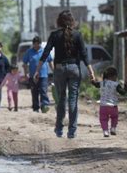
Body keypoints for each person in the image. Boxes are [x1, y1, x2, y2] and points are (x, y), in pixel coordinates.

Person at [34, 10, 96, 138]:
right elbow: (84, 55)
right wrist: (91, 72)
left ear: (59, 22)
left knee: (61, 99)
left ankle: (59, 129)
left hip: (59, 69)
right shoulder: (78, 35)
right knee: (73, 100)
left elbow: (45, 53)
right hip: (74, 69)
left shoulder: (54, 35)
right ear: (72, 21)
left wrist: (37, 70)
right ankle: (72, 131)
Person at [91, 67, 127, 137]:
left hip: (103, 106)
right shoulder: (116, 84)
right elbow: (122, 92)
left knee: (103, 119)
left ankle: (105, 131)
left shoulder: (102, 83)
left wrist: (93, 81)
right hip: (113, 106)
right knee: (114, 117)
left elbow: (96, 84)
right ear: (114, 76)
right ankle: (113, 128)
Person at [23, 36, 54, 113]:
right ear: (33, 44)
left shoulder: (45, 51)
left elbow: (50, 61)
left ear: (40, 44)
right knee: (34, 91)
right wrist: (26, 73)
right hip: (33, 76)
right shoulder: (29, 52)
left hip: (43, 75)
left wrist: (54, 71)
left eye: (38, 44)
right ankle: (35, 107)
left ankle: (44, 105)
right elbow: (25, 63)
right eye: (35, 44)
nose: (36, 45)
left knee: (43, 90)